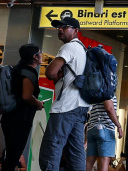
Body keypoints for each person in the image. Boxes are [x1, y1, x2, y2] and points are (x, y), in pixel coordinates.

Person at [40, 17, 89, 171]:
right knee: (76, 152)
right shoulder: (83, 49)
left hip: (65, 107)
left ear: (76, 31)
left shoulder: (69, 47)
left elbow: (50, 72)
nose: (60, 29)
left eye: (65, 27)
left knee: (51, 149)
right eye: (58, 27)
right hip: (81, 107)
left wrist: (57, 74)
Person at [0, 44, 44, 171]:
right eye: (40, 52)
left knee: (11, 156)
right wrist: (38, 104)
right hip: (20, 120)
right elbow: (26, 96)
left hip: (9, 117)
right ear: (35, 56)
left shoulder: (16, 70)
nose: (42, 55)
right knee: (13, 157)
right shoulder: (29, 72)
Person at [85, 93, 124, 171]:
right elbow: (109, 109)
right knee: (104, 160)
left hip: (91, 128)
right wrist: (119, 126)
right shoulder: (107, 89)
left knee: (89, 161)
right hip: (105, 129)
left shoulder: (94, 91)